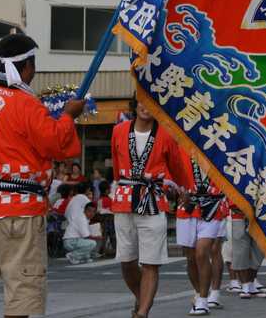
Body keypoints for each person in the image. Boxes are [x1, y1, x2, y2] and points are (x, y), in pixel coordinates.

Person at [0, 34, 85, 318]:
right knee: (22, 289)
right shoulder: (26, 104)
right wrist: (68, 116)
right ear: (27, 67)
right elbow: (55, 143)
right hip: (19, 210)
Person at [111, 96, 193, 318]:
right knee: (127, 262)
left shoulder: (166, 134)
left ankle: (143, 313)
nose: (146, 107)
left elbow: (177, 167)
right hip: (124, 200)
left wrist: (185, 189)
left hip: (154, 201)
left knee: (150, 263)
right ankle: (141, 296)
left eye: (151, 104)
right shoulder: (118, 131)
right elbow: (117, 168)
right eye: (142, 102)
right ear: (134, 105)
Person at [176, 151, 229, 315]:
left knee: (203, 252)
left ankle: (206, 298)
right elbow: (171, 174)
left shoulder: (220, 146)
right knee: (190, 257)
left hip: (214, 207)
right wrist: (176, 191)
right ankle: (199, 294)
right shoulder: (181, 148)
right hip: (188, 208)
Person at [63, 182, 99, 264]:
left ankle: (84, 256)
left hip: (70, 226)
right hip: (73, 238)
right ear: (87, 190)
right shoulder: (83, 198)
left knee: (86, 240)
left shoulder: (74, 198)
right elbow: (91, 207)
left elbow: (66, 213)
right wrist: (96, 237)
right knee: (92, 243)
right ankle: (74, 255)